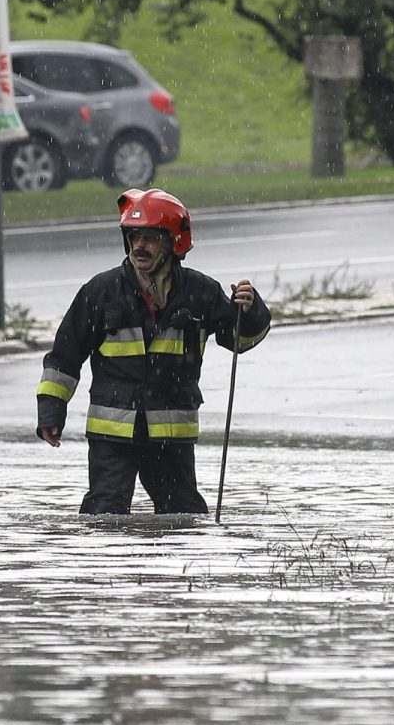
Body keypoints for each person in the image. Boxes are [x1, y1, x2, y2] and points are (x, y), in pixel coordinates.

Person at [37, 189, 271, 515]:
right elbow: (64, 358)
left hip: (171, 436)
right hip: (112, 435)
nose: (139, 246)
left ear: (173, 242)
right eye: (133, 237)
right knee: (104, 519)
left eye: (149, 238)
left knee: (184, 519)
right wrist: (51, 412)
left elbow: (240, 341)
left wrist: (252, 310)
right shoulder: (100, 293)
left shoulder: (201, 293)